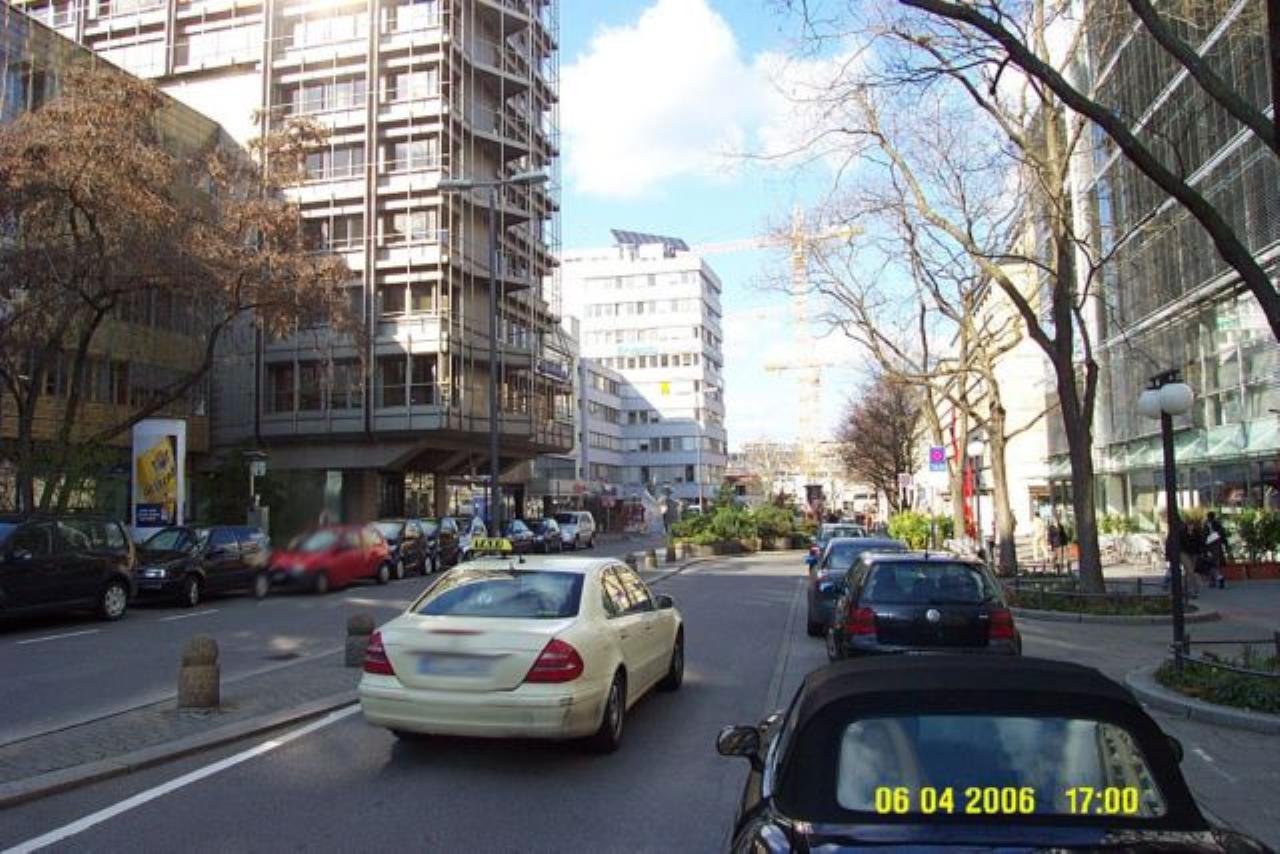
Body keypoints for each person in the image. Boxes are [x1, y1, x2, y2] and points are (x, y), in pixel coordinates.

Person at [1204, 511, 1231, 589]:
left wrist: (1203, 548)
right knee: (1215, 563)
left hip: (1209, 546)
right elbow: (1223, 535)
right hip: (1217, 545)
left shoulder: (1205, 525)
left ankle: (1215, 579)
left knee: (1211, 563)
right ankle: (1216, 579)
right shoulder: (1217, 524)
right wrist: (1226, 545)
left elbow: (1203, 536)